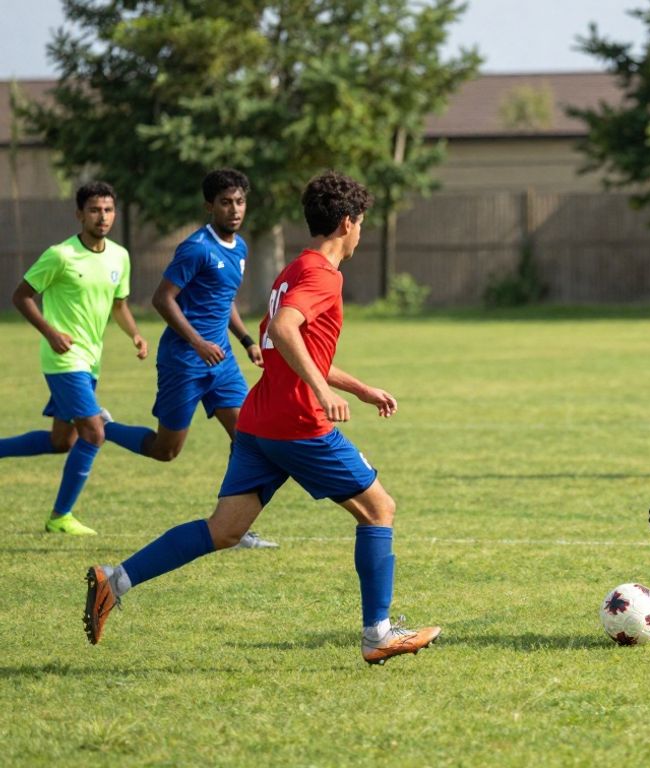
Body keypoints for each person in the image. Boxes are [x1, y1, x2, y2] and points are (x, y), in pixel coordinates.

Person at [83, 170, 440, 665]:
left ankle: (115, 580)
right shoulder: (321, 275)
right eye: (361, 223)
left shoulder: (295, 270)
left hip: (257, 422)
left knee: (225, 529)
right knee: (380, 509)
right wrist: (320, 392)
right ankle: (378, 633)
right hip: (297, 424)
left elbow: (288, 344)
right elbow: (287, 329)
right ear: (346, 222)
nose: (361, 232)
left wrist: (357, 387)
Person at [100, 169, 277, 548]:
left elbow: (223, 298)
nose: (234, 210)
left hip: (223, 362)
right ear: (209, 206)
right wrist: (198, 343)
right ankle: (104, 427)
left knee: (249, 437)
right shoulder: (196, 248)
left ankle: (234, 525)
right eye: (226, 202)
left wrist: (245, 339)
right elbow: (162, 299)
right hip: (185, 360)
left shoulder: (241, 248)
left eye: (240, 202)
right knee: (167, 451)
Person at [0, 181, 151, 535]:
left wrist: (135, 334)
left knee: (61, 442)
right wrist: (50, 332)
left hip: (91, 361)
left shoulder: (119, 256)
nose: (103, 217)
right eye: (95, 210)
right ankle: (60, 517)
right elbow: (21, 296)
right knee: (93, 432)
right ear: (79, 214)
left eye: (109, 210)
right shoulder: (60, 255)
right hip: (63, 360)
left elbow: (119, 305)